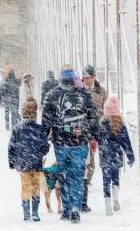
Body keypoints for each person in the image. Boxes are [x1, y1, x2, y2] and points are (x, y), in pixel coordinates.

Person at [42, 66, 99, 223]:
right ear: (75, 79)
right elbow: (93, 117)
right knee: (78, 176)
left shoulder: (52, 94)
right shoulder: (84, 95)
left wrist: (43, 137)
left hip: (60, 142)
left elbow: (46, 120)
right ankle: (76, 207)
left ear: (60, 78)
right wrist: (94, 136)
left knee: (64, 174)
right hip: (80, 142)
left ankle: (66, 209)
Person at [8, 98, 50, 222]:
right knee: (36, 186)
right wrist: (39, 154)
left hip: (22, 162)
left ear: (22, 113)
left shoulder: (17, 129)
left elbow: (11, 146)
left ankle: (26, 214)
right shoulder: (39, 129)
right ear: (35, 114)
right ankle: (35, 213)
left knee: (25, 187)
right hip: (36, 162)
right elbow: (45, 146)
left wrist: (12, 162)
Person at [97, 95, 134, 215]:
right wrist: (131, 157)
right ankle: (116, 198)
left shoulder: (101, 125)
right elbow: (126, 142)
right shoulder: (120, 126)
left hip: (104, 155)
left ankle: (108, 206)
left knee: (106, 180)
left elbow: (97, 138)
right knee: (115, 178)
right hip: (116, 155)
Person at [81, 64, 108, 212]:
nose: (87, 80)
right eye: (85, 77)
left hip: (94, 129)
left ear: (94, 77)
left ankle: (87, 181)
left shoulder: (101, 92)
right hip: (80, 129)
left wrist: (100, 122)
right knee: (82, 158)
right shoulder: (78, 90)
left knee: (91, 158)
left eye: (90, 77)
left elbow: (106, 109)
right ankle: (82, 182)